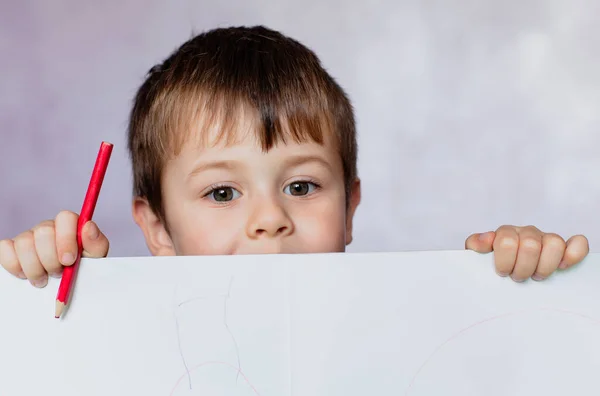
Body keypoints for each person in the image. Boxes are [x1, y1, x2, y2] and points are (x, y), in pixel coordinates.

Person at [0, 25, 589, 289]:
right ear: (157, 226)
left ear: (351, 207)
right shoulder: (118, 344)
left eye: (302, 187)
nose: (270, 219)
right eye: (223, 192)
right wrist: (64, 291)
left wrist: (518, 287)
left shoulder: (408, 328)